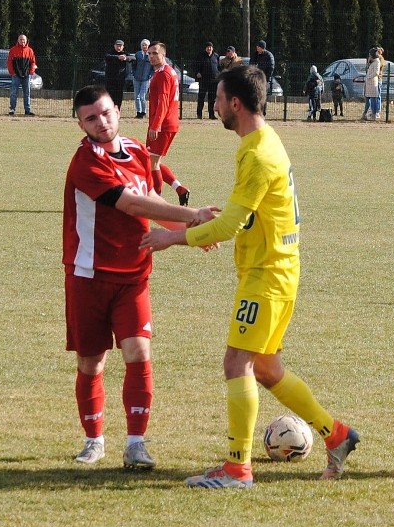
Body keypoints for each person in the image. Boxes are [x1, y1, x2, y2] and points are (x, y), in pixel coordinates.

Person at [140, 64, 360, 489]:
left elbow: (230, 227)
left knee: (236, 362)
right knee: (267, 368)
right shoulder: (262, 141)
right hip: (276, 270)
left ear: (235, 104)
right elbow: (244, 215)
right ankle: (337, 434)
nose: (215, 104)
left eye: (219, 99)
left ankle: (238, 468)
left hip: (267, 275)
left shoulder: (257, 153)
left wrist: (172, 236)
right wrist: (211, 225)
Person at [63, 85, 211, 468]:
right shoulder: (86, 161)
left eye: (106, 112)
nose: (102, 122)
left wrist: (192, 233)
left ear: (118, 110)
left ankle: (135, 443)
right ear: (80, 124)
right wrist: (192, 213)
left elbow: (153, 205)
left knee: (138, 353)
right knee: (92, 363)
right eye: (91, 118)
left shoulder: (139, 152)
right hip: (89, 275)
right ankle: (94, 440)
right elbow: (128, 203)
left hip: (134, 276)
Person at [147, 42, 191, 206]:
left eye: (155, 53)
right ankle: (180, 190)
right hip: (164, 123)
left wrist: (156, 125)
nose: (151, 56)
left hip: (163, 125)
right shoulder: (165, 72)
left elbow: (163, 102)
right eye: (150, 54)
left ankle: (156, 201)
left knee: (152, 162)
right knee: (152, 161)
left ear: (163, 55)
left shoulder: (164, 74)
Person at [7, 34, 37, 116]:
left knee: (27, 93)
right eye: (21, 39)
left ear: (26, 41)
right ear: (18, 40)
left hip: (26, 75)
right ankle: (12, 110)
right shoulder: (13, 50)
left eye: (24, 39)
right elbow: (9, 62)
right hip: (16, 75)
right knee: (14, 93)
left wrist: (31, 71)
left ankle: (27, 110)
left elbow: (33, 62)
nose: (22, 41)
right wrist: (12, 72)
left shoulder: (30, 51)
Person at [104, 39, 133, 110]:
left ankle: (117, 110)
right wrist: (118, 57)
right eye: (117, 45)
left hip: (120, 79)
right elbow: (107, 57)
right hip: (110, 79)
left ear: (123, 47)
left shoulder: (125, 53)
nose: (118, 47)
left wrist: (126, 58)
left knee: (119, 96)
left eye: (120, 46)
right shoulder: (110, 52)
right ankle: (109, 110)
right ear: (114, 46)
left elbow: (133, 58)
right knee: (109, 95)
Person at [194, 41, 220, 119]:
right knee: (201, 97)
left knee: (212, 99)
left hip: (213, 81)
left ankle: (211, 115)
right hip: (203, 80)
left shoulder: (216, 56)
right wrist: (197, 72)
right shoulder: (200, 56)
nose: (209, 48)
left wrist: (219, 75)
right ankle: (199, 114)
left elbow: (219, 68)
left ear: (212, 48)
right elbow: (194, 66)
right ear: (205, 48)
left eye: (210, 47)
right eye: (208, 47)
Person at [249, 40, 275, 116]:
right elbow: (251, 65)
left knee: (262, 95)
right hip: (255, 79)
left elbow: (271, 67)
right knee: (254, 95)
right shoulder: (255, 55)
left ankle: (263, 112)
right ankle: (255, 111)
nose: (257, 48)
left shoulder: (269, 56)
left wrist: (266, 78)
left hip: (264, 79)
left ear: (262, 47)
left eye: (258, 46)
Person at [133, 39, 153, 119]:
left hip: (146, 79)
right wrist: (134, 74)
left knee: (142, 96)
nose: (144, 46)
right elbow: (134, 65)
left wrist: (150, 75)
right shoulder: (137, 54)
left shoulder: (150, 55)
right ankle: (138, 112)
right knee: (136, 97)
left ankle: (144, 112)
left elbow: (153, 67)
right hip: (137, 78)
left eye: (146, 45)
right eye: (143, 45)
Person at [361, 47, 381, 121]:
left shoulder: (377, 62)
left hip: (372, 83)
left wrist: (369, 77)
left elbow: (376, 72)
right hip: (368, 83)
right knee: (367, 99)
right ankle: (365, 114)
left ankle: (374, 115)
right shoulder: (372, 62)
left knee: (373, 100)